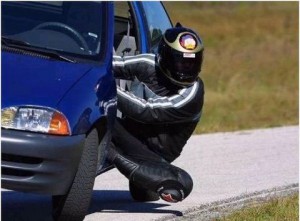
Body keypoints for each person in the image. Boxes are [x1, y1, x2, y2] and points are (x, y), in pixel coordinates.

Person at [109, 25, 205, 203]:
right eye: (181, 61)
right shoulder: (148, 63)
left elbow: (146, 111)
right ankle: (106, 149)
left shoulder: (193, 95)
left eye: (192, 63)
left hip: (155, 155)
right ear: (165, 56)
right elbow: (112, 65)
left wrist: (105, 86)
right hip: (130, 132)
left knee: (181, 185)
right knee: (104, 118)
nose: (186, 68)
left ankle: (110, 152)